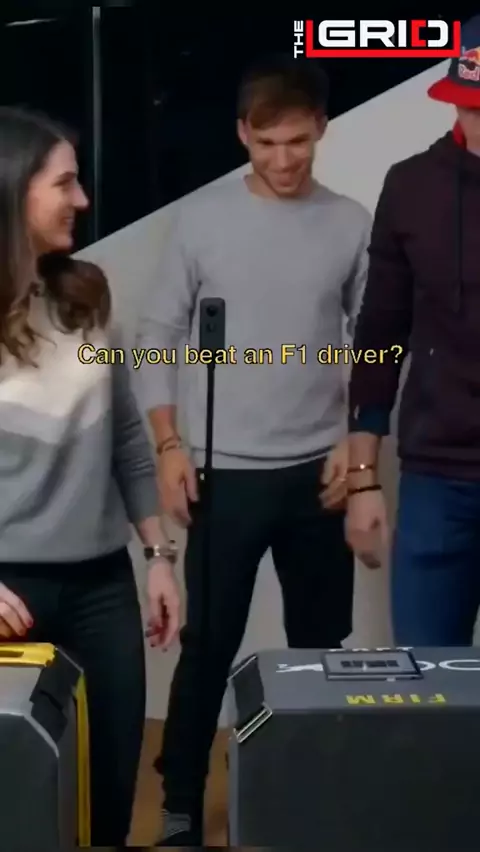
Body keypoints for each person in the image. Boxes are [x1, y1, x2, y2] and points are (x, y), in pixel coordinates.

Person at [135, 54, 371, 846]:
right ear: (242, 133)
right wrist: (169, 444)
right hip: (221, 473)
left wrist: (355, 448)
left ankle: (312, 795)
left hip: (318, 475)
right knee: (208, 646)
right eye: (266, 142)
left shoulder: (349, 222)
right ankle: (180, 801)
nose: (282, 159)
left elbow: (375, 343)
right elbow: (155, 334)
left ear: (322, 130)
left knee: (320, 650)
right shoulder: (201, 220)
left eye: (297, 141)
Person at [0, 106, 181, 846]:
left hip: (102, 589)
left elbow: (127, 441)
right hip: (8, 594)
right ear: (14, 190)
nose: (81, 198)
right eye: (65, 183)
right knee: (16, 807)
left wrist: (159, 556)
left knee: (107, 798)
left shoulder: (85, 298)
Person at [346, 15, 480, 647]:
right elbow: (380, 332)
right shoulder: (411, 185)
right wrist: (363, 476)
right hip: (436, 480)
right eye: (471, 108)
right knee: (427, 684)